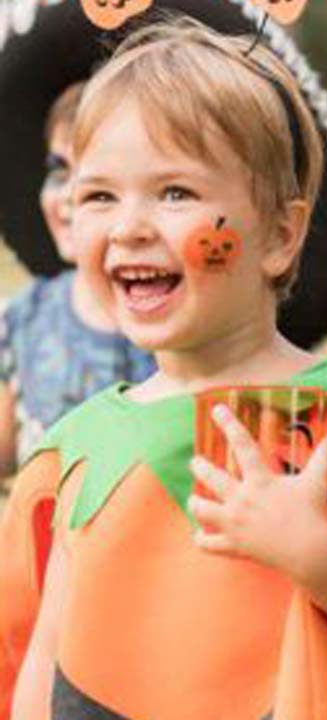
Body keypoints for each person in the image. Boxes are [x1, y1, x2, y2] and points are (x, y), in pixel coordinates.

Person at [0, 18, 327, 720]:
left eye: (175, 194)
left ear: (280, 236)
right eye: (99, 195)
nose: (129, 225)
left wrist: (321, 559)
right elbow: (49, 655)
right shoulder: (79, 445)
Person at [0, 82, 155, 476]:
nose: (69, 195)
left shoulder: (184, 321)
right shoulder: (21, 323)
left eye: (97, 181)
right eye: (58, 171)